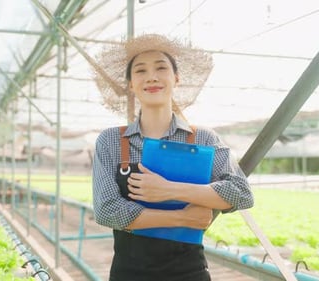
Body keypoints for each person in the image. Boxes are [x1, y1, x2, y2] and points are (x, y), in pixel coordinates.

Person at [92, 34, 254, 281]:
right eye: (140, 71)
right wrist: (181, 217)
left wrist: (170, 190)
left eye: (161, 68)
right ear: (130, 84)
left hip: (189, 272)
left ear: (176, 78)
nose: (152, 76)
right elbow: (107, 211)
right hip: (129, 273)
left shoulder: (203, 139)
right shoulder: (112, 140)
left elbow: (241, 192)